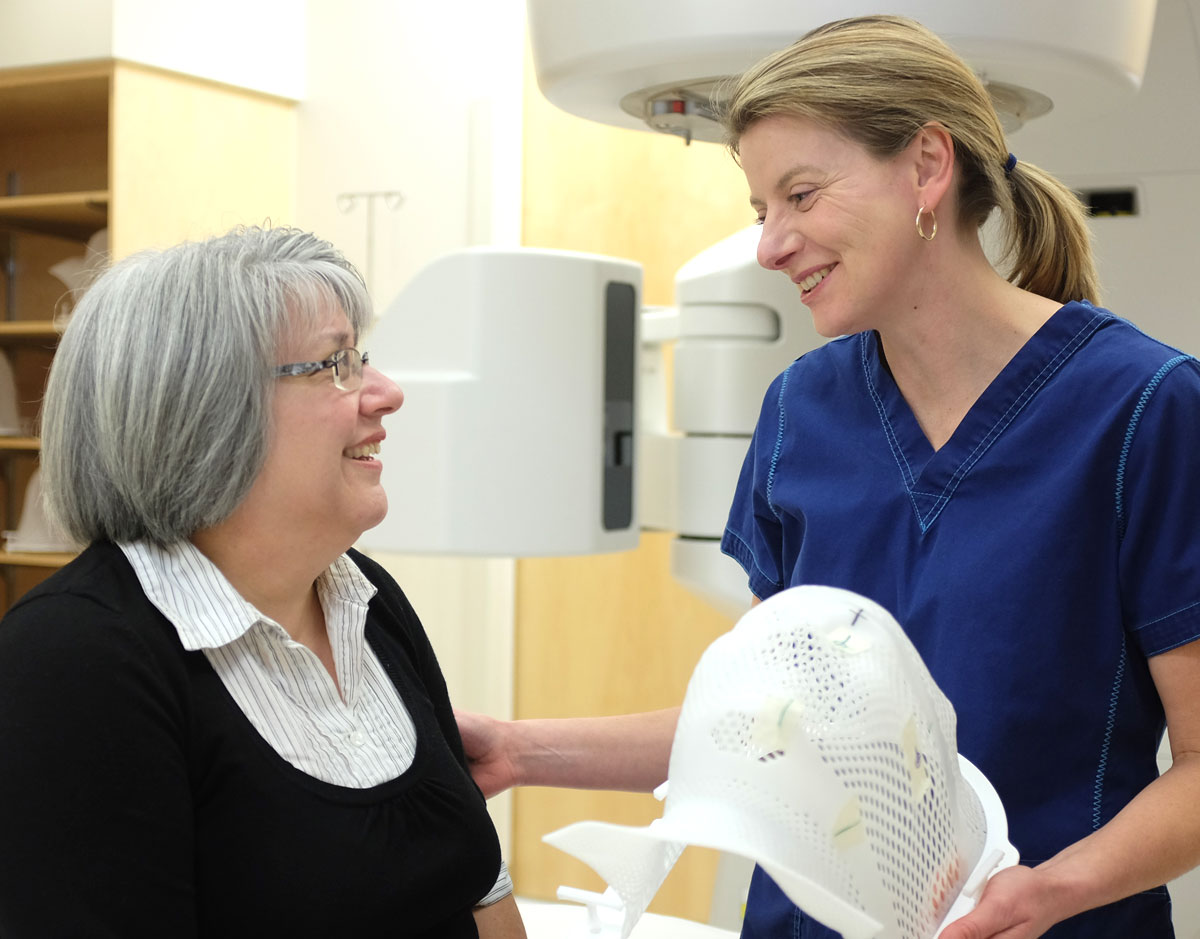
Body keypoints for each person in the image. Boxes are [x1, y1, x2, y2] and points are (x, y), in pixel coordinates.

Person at [456, 15, 1200, 939]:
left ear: (928, 166)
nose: (771, 245)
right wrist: (517, 750)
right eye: (760, 210)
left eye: (800, 196)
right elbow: (770, 724)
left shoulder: (1143, 409)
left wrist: (1046, 893)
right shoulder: (800, 415)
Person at [0, 226, 526, 939]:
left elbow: (479, 883)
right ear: (202, 408)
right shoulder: (74, 660)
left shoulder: (367, 599)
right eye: (337, 362)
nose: (387, 392)